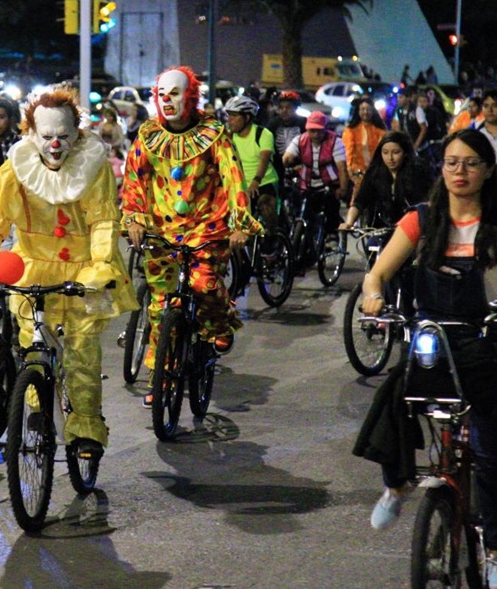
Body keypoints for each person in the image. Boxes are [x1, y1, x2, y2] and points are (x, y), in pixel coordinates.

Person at [357, 128, 497, 589]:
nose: (459, 171)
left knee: (486, 446)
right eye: (451, 162)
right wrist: (372, 294)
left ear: (487, 171)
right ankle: (397, 483)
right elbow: (380, 272)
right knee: (395, 397)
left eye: (470, 163)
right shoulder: (421, 220)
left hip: (490, 342)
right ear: (440, 169)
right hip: (436, 338)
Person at [0, 87, 137, 457]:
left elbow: (103, 219)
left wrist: (101, 264)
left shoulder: (93, 166)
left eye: (64, 136)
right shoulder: (15, 169)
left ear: (78, 134)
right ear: (32, 134)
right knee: (32, 347)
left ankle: (85, 427)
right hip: (31, 267)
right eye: (48, 136)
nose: (55, 145)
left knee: (82, 353)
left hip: (81, 269)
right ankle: (36, 411)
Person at [121, 66, 260, 407]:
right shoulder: (148, 135)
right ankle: (161, 377)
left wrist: (240, 223)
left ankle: (218, 324)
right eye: (162, 94)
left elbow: (233, 179)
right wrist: (135, 218)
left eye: (176, 93)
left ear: (191, 96)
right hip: (160, 231)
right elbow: (134, 180)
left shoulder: (214, 133)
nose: (168, 100)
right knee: (158, 308)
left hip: (206, 228)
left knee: (205, 285)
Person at [339, 130, 430, 231]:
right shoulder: (374, 173)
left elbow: (426, 202)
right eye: (385, 152)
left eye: (396, 152)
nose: (390, 158)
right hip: (379, 229)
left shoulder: (418, 172)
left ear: (405, 153)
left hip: (410, 229)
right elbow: (360, 201)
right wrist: (348, 222)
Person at [223, 95, 279, 251]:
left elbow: (264, 159)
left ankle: (272, 244)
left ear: (247, 117)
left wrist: (256, 181)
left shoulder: (262, 134)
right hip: (238, 185)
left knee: (265, 205)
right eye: (228, 116)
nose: (229, 120)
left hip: (263, 181)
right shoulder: (228, 136)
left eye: (234, 116)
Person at [282, 110, 350, 234]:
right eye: (312, 131)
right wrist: (290, 160)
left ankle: (331, 236)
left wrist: (343, 188)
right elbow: (286, 158)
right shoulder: (300, 140)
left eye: (319, 130)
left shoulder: (335, 141)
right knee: (299, 210)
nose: (315, 134)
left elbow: (342, 168)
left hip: (328, 185)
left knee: (331, 209)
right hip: (306, 185)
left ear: (325, 129)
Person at [341, 96, 386, 196]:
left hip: (377, 173)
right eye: (362, 109)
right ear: (358, 111)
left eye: (368, 109)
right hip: (358, 174)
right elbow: (348, 152)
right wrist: (349, 171)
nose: (365, 112)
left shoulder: (380, 131)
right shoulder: (350, 131)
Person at [266, 90, 307, 170]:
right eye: (281, 107)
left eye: (288, 107)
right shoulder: (273, 123)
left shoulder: (303, 123)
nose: (284, 110)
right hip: (277, 166)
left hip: (300, 166)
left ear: (295, 108)